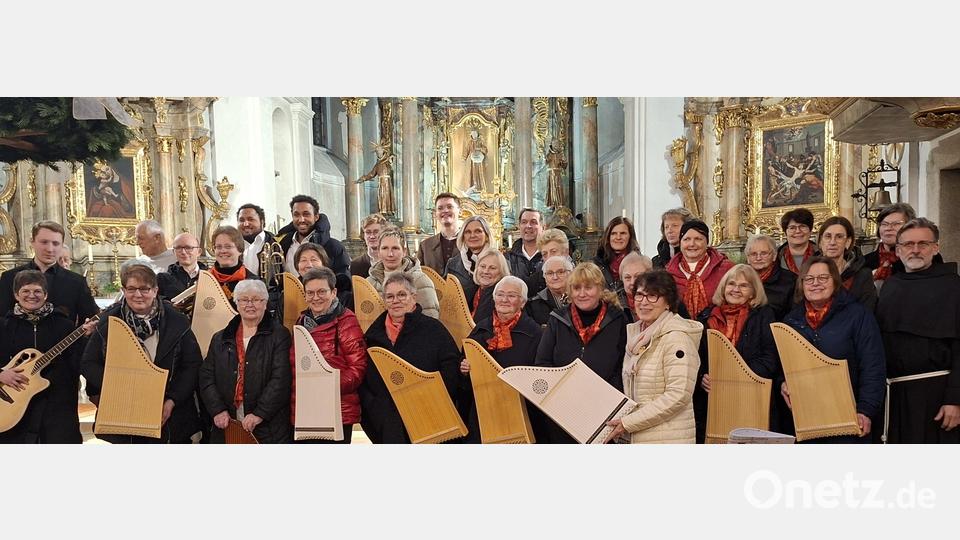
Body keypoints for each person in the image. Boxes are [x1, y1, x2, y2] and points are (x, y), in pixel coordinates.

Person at [81, 262, 202, 443]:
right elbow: (88, 363)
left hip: (168, 411)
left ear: (155, 290)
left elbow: (192, 365)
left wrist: (172, 400)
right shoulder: (109, 320)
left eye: (144, 289)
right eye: (131, 289)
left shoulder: (176, 320)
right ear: (123, 290)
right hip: (122, 408)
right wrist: (118, 387)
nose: (138, 295)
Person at [780, 256, 885, 442]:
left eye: (823, 278)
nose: (815, 283)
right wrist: (783, 382)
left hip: (848, 414)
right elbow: (783, 364)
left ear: (835, 281)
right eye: (809, 279)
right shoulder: (791, 320)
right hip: (806, 416)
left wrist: (865, 409)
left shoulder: (858, 315)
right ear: (801, 284)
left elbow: (872, 365)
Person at [876, 218, 960, 443]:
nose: (915, 250)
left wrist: (955, 399)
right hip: (895, 395)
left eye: (923, 244)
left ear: (936, 248)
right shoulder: (890, 286)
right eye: (908, 244)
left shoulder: (954, 286)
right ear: (898, 250)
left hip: (939, 396)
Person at [604, 270, 703, 444]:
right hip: (638, 435)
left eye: (652, 296)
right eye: (640, 295)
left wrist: (628, 423)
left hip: (668, 438)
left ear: (668, 302)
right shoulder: (636, 336)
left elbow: (678, 395)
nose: (644, 302)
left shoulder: (677, 338)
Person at [359, 273, 460, 443]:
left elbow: (451, 369)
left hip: (429, 416)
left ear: (414, 297)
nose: (395, 301)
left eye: (401, 295)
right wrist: (376, 408)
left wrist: (432, 401)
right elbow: (365, 380)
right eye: (390, 296)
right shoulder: (373, 335)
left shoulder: (434, 329)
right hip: (388, 421)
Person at [535, 262, 627, 443]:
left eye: (588, 287)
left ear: (600, 289)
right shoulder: (558, 319)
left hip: (603, 405)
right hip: (563, 407)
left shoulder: (617, 318)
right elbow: (543, 363)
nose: (582, 293)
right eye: (577, 288)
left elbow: (622, 364)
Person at [199, 279, 292, 443]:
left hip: (268, 426)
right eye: (244, 299)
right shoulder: (220, 338)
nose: (250, 304)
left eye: (256, 299)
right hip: (227, 422)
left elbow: (281, 379)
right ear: (237, 303)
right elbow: (206, 377)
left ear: (265, 303)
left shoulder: (280, 335)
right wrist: (217, 409)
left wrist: (259, 413)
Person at [693, 265, 778, 443]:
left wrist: (733, 374)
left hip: (750, 399)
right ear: (723, 288)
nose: (736, 289)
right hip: (712, 399)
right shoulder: (706, 317)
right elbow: (695, 358)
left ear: (753, 292)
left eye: (744, 285)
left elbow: (769, 360)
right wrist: (701, 376)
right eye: (731, 284)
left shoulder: (764, 315)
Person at [0, 271, 83, 444]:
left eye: (37, 291)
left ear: (45, 295)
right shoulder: (4, 326)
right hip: (13, 403)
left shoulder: (64, 325)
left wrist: (85, 338)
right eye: (25, 291)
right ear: (16, 295)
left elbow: (78, 363)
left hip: (57, 404)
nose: (32, 295)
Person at [460, 276, 545, 443]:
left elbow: (540, 374)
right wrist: (464, 367)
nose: (504, 300)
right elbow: (465, 359)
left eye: (512, 295)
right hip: (483, 409)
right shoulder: (481, 328)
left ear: (522, 302)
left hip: (519, 411)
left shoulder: (534, 333)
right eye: (500, 294)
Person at [292, 268, 368, 444]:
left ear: (333, 292)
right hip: (306, 409)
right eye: (310, 293)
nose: (315, 297)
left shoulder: (346, 321)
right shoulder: (301, 321)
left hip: (337, 410)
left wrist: (325, 387)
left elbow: (358, 368)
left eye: (321, 292)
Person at [0, 221, 99, 329]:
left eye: (55, 243)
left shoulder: (76, 282)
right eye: (44, 242)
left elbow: (89, 319)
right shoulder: (9, 277)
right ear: (32, 242)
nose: (50, 249)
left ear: (62, 245)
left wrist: (87, 332)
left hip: (64, 340)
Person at [665, 220, 734, 320]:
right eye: (686, 239)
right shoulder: (668, 273)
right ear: (680, 243)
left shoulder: (726, 269)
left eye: (698, 239)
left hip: (716, 326)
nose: (692, 244)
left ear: (707, 242)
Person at [367, 228, 440, 319]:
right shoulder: (369, 283)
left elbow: (431, 318)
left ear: (404, 251)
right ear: (378, 252)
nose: (390, 254)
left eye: (395, 248)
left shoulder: (420, 281)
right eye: (385, 248)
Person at [276, 194, 351, 282]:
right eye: (296, 215)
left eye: (306, 214)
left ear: (316, 217)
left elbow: (344, 281)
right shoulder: (282, 245)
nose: (301, 219)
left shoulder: (334, 247)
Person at [817, 216, 877, 312]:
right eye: (828, 236)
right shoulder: (808, 271)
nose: (832, 242)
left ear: (848, 242)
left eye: (839, 237)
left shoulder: (863, 276)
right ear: (820, 242)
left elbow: (867, 312)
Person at [864, 202, 921, 289]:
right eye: (884, 224)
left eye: (896, 224)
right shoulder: (864, 262)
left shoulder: (922, 258)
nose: (888, 228)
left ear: (910, 227)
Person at [744, 234, 796, 320]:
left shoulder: (790, 281)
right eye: (753, 254)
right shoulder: (740, 279)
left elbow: (794, 316)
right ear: (748, 258)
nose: (758, 258)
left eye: (764, 253)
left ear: (774, 256)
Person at [444, 215, 496, 291]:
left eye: (478, 231)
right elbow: (447, 294)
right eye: (468, 232)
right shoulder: (452, 264)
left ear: (487, 236)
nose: (472, 235)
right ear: (463, 237)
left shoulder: (500, 262)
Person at [208, 225, 258, 305]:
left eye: (228, 247)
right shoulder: (205, 279)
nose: (223, 251)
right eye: (218, 247)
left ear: (240, 250)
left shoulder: (254, 282)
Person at [594, 216, 641, 299]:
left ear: (630, 236)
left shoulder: (641, 264)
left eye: (623, 233)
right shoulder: (595, 265)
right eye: (613, 233)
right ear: (608, 237)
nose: (618, 237)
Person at [237, 203, 283, 286]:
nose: (246, 224)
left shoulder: (277, 243)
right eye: (241, 220)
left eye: (250, 219)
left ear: (262, 222)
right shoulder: (232, 245)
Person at [417, 193, 462, 274]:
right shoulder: (425, 246)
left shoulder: (469, 242)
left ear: (460, 211)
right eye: (440, 208)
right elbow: (418, 275)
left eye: (449, 207)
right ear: (435, 214)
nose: (445, 211)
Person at [505, 208, 544, 298]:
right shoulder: (508, 258)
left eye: (533, 222)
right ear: (519, 226)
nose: (528, 226)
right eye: (524, 222)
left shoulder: (550, 255)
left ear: (543, 227)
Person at [157, 232, 207, 302]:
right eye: (178, 248)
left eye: (188, 248)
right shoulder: (162, 279)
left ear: (199, 252)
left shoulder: (210, 277)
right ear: (174, 252)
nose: (183, 252)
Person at [465, 248, 510, 323]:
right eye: (483, 266)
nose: (486, 271)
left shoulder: (503, 298)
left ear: (502, 272)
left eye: (492, 268)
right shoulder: (469, 292)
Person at [526, 255, 572, 327]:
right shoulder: (534, 304)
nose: (555, 277)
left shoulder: (582, 298)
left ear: (571, 274)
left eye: (560, 272)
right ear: (544, 277)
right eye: (550, 273)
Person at [357, 145, 396, 215]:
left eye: (379, 151)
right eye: (377, 152)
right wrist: (363, 178)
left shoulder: (388, 160)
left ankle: (389, 210)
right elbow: (372, 174)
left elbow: (392, 167)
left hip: (387, 181)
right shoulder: (378, 164)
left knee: (388, 195)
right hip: (381, 182)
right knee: (382, 196)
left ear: (383, 151)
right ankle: (383, 211)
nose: (378, 153)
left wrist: (391, 161)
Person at [776, 208, 816, 275]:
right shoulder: (775, 257)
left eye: (802, 226)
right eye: (792, 228)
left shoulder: (822, 254)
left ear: (810, 230)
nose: (798, 231)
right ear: (785, 232)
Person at [351, 213, 389, 279]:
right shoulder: (355, 265)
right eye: (368, 232)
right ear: (363, 235)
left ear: (384, 234)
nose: (372, 236)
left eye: (376, 232)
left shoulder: (392, 260)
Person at [618, 252, 653, 322]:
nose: (632, 282)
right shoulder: (613, 305)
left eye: (638, 276)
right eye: (627, 277)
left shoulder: (660, 301)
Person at [545, 139, 567, 208]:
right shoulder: (549, 154)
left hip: (558, 174)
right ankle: (552, 203)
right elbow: (546, 161)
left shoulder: (560, 154)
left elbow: (564, 166)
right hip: (551, 174)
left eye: (557, 144)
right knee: (552, 188)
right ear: (552, 145)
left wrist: (564, 161)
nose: (556, 145)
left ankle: (560, 203)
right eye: (554, 144)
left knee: (558, 188)